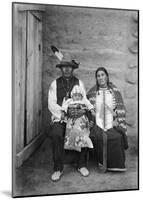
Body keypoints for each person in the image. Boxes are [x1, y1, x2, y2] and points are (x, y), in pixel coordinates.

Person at [48, 53, 90, 181]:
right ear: (61, 69)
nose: (67, 69)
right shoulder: (55, 83)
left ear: (72, 69)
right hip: (60, 117)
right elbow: (51, 103)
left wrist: (77, 112)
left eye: (69, 67)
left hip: (77, 117)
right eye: (64, 67)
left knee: (84, 130)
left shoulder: (79, 83)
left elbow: (84, 100)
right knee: (56, 133)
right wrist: (63, 113)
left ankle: (81, 165)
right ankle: (58, 168)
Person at [87, 67, 128, 172]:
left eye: (102, 75)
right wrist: (92, 116)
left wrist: (116, 120)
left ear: (107, 76)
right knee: (99, 137)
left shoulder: (114, 91)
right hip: (98, 122)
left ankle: (116, 165)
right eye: (98, 76)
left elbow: (120, 108)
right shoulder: (92, 92)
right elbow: (88, 109)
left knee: (117, 137)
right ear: (96, 78)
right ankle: (102, 163)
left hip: (111, 121)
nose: (100, 77)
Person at [61, 85, 94, 152]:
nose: (77, 97)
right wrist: (63, 113)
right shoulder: (69, 101)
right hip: (71, 118)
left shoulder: (83, 101)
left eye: (79, 96)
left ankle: (81, 143)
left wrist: (92, 110)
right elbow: (64, 106)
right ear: (72, 96)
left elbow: (89, 105)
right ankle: (71, 145)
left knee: (79, 129)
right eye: (75, 95)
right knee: (70, 129)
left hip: (81, 118)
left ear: (81, 96)